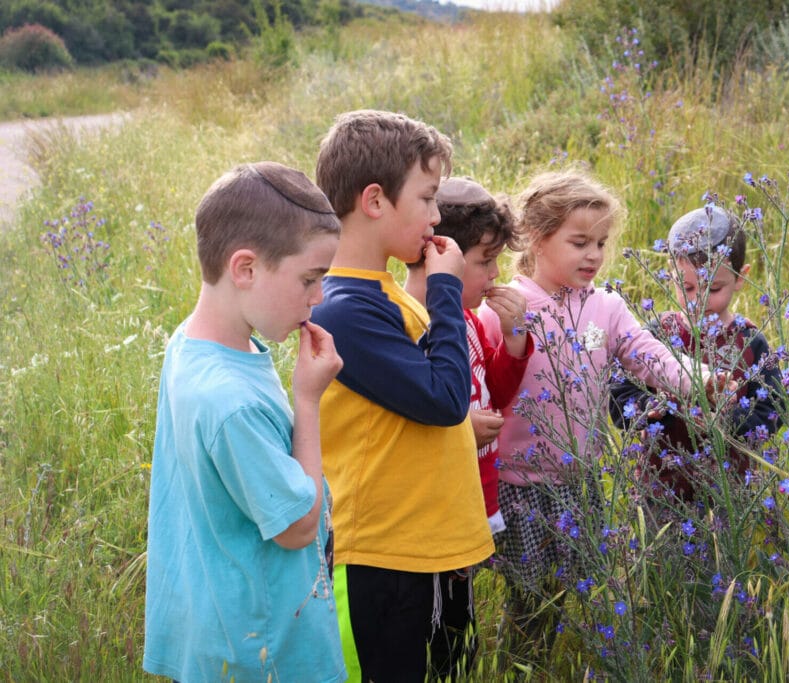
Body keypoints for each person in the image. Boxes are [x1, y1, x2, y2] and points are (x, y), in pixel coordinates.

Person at [476, 170, 731, 673]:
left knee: (578, 590)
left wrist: (701, 378)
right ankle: (520, 667)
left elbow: (647, 355)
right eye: (579, 242)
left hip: (581, 482)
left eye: (601, 242)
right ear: (534, 238)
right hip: (517, 484)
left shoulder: (606, 307)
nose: (594, 255)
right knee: (529, 603)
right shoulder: (505, 308)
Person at [143, 162, 346, 683]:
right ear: (246, 269)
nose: (318, 297)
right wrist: (307, 399)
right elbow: (298, 527)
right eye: (310, 278)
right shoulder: (230, 401)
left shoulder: (193, 345)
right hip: (265, 648)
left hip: (222, 624)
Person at [312, 111, 495, 682]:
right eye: (427, 198)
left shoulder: (385, 292)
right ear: (374, 201)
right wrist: (445, 285)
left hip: (425, 547)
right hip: (386, 555)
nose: (437, 217)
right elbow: (444, 400)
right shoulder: (344, 309)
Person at [404, 176, 535, 678]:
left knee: (460, 629)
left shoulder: (471, 322)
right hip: (434, 514)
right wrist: (461, 427)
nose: (496, 274)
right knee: (438, 636)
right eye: (484, 261)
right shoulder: (416, 324)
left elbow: (495, 394)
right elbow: (418, 417)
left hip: (471, 502)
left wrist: (515, 337)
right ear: (442, 255)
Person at [610, 203, 784, 502]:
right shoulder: (655, 335)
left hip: (728, 493)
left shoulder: (750, 342)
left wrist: (730, 421)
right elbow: (618, 395)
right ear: (670, 275)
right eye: (687, 287)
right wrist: (652, 407)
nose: (698, 302)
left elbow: (774, 412)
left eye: (713, 289)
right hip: (660, 487)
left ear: (741, 277)